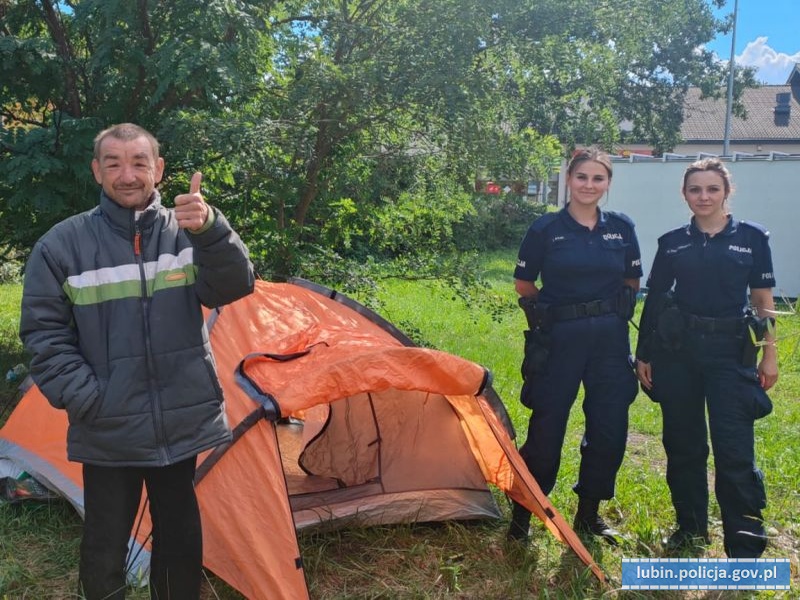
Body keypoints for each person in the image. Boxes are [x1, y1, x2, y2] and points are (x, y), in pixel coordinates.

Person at [19, 123, 255, 599]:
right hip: (107, 424)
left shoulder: (189, 233)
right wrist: (91, 399)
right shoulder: (61, 246)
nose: (127, 175)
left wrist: (212, 231)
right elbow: (43, 335)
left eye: (139, 162)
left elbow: (233, 286)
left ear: (159, 169)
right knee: (105, 545)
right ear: (96, 171)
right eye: (114, 163)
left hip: (181, 419)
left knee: (180, 540)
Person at [635, 157, 778, 558]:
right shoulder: (672, 242)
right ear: (685, 194)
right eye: (695, 189)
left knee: (734, 449)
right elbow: (657, 299)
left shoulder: (751, 238)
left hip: (732, 355)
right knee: (684, 445)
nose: (704, 196)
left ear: (726, 192)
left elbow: (763, 303)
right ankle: (690, 528)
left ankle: (744, 541)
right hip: (678, 354)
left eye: (712, 188)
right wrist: (644, 353)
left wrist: (770, 357)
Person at [508, 147, 642, 545]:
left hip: (610, 341)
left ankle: (588, 514)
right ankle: (524, 516)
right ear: (569, 179)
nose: (589, 185)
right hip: (560, 339)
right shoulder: (545, 229)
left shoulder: (622, 227)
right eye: (582, 177)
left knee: (609, 427)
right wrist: (554, 317)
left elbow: (632, 282)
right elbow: (524, 284)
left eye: (598, 178)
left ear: (608, 184)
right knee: (546, 428)